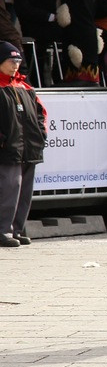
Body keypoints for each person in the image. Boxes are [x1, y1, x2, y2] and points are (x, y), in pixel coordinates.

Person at [0, 42, 47, 247]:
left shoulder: (25, 87)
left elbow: (40, 114)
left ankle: (17, 230)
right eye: (11, 61)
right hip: (8, 149)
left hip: (29, 148)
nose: (15, 65)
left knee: (24, 192)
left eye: (18, 61)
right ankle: (3, 231)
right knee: (9, 189)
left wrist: (41, 134)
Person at [14, 0, 60, 85]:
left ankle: (62, 77)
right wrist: (49, 16)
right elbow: (23, 8)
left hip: (56, 27)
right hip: (37, 28)